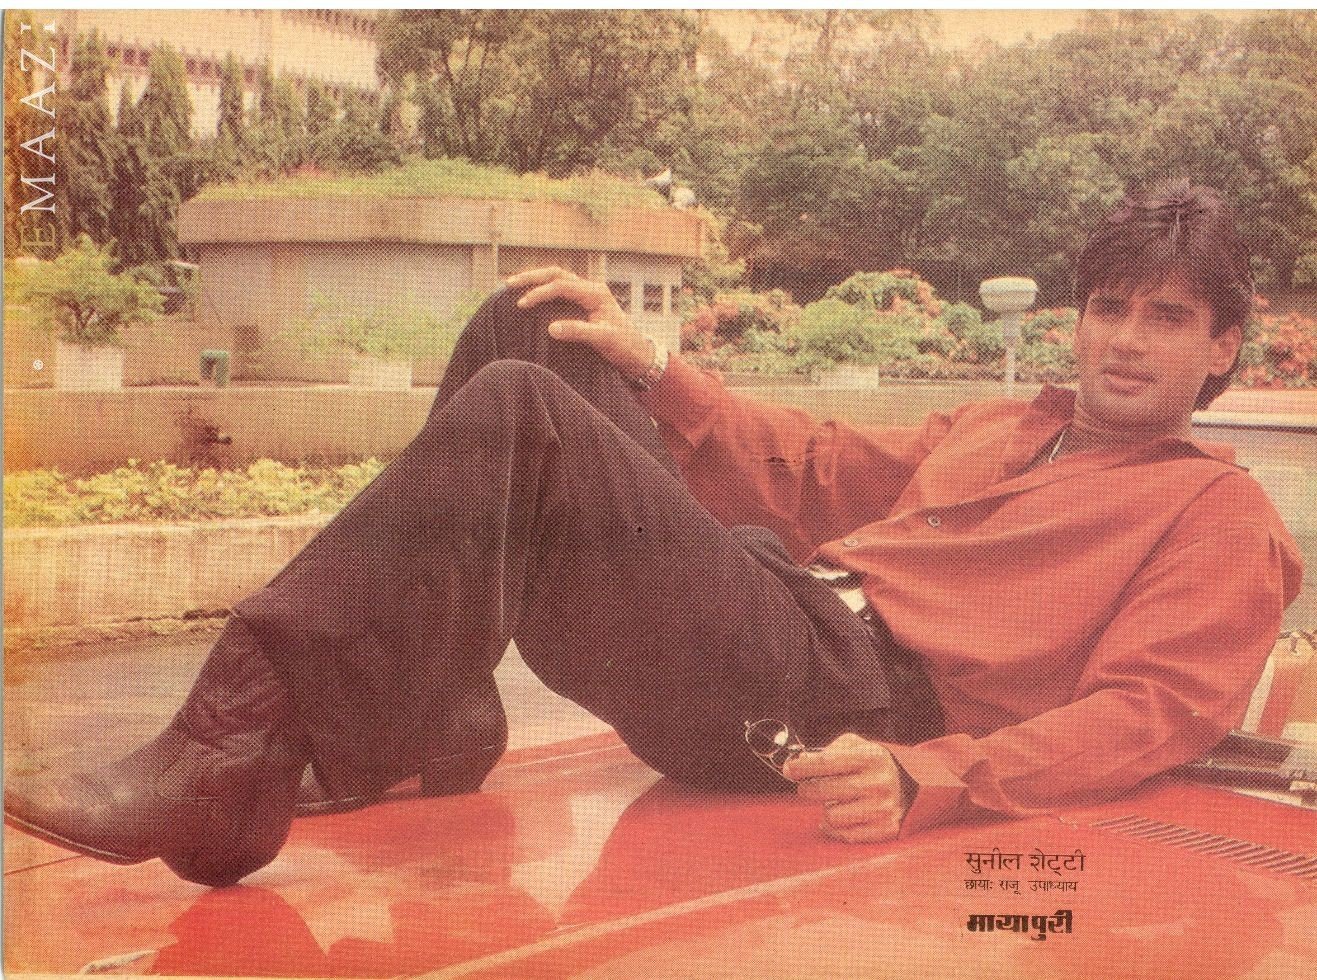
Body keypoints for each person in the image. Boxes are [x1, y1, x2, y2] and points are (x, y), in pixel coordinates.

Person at [4, 180, 1302, 886]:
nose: (1125, 341)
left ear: (1220, 348)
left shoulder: (1214, 515)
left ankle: (227, 751)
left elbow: (1145, 715)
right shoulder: (1003, 425)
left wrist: (932, 779)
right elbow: (814, 468)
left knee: (523, 412)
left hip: (835, 703)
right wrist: (655, 367)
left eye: (1166, 319)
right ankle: (439, 717)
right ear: (1078, 317)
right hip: (773, 611)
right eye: (1109, 308)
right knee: (534, 328)